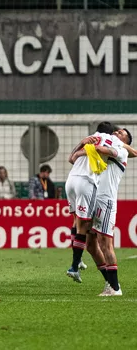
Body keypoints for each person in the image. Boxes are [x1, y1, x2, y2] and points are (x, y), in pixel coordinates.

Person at [70, 127, 132, 296]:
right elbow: (73, 157)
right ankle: (111, 283)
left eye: (121, 134)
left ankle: (115, 288)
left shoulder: (121, 151)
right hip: (92, 197)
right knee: (90, 244)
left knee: (105, 243)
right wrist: (81, 146)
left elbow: (104, 149)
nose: (117, 133)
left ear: (125, 142)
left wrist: (93, 143)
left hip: (106, 201)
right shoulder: (108, 145)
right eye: (117, 131)